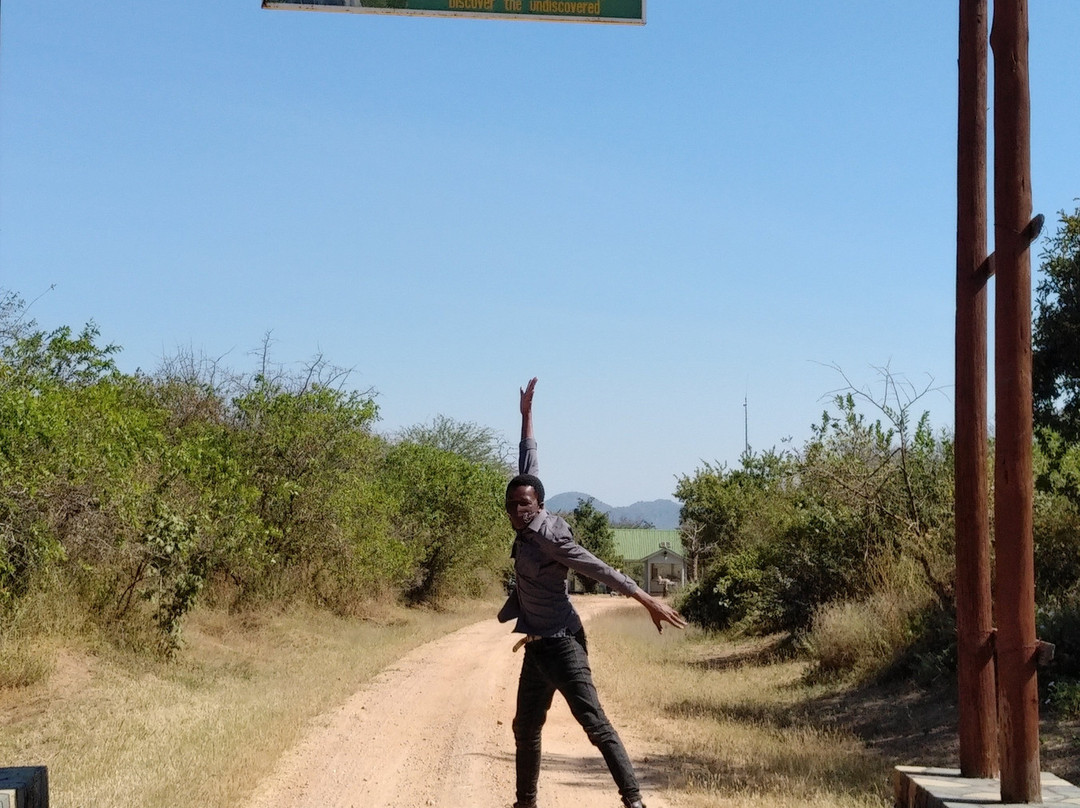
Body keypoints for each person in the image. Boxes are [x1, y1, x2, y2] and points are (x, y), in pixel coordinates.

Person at [498, 377, 686, 808]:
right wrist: (526, 416)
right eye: (511, 505)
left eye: (524, 505)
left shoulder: (552, 539)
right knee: (525, 729)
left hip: (564, 646)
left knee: (594, 724)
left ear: (539, 505)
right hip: (536, 647)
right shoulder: (527, 514)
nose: (517, 511)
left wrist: (647, 599)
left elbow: (599, 569)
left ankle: (634, 801)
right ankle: (524, 804)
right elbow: (529, 463)